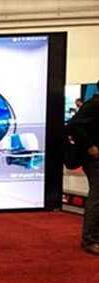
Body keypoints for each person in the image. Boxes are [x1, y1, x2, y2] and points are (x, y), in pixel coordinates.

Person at [69, 82, 99, 255]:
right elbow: (73, 125)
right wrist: (90, 146)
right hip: (94, 159)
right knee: (97, 197)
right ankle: (90, 239)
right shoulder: (94, 104)